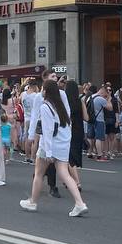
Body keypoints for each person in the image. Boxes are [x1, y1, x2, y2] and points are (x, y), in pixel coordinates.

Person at [20, 77, 88, 216]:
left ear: (45, 91)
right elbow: (67, 126)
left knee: (39, 174)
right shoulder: (61, 105)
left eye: (43, 89)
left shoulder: (45, 107)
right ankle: (80, 203)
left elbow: (47, 131)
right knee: (65, 174)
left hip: (48, 146)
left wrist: (48, 151)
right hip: (62, 144)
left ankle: (33, 202)